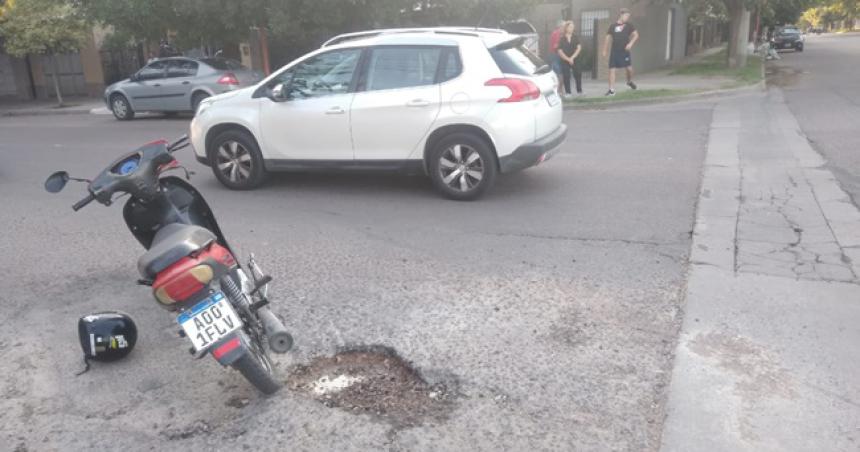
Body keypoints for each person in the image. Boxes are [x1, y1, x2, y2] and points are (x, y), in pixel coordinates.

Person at [602, 8, 639, 96]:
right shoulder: (612, 26)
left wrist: (630, 44)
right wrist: (604, 50)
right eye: (626, 16)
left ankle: (629, 81)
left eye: (628, 16)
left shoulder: (629, 25)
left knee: (629, 69)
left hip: (625, 51)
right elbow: (607, 39)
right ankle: (611, 90)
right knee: (612, 70)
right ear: (621, 15)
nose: (627, 18)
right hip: (615, 51)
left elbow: (636, 35)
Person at [557, 21, 583, 98]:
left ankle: (579, 91)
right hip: (565, 59)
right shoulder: (562, 38)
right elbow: (560, 51)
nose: (572, 28)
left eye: (573, 27)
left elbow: (579, 48)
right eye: (570, 27)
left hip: (575, 58)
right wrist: (568, 59)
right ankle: (568, 93)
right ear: (566, 28)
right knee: (566, 75)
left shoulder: (575, 37)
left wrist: (572, 58)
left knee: (578, 74)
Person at [548, 20, 564, 95]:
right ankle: (558, 91)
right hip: (556, 55)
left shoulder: (558, 33)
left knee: (559, 73)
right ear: (561, 26)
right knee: (559, 73)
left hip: (556, 55)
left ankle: (559, 91)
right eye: (564, 26)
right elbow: (555, 46)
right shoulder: (557, 34)